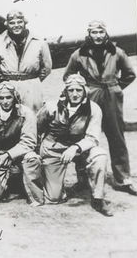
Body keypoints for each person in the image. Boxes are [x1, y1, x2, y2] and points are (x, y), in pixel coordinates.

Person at [64, 20, 137, 195]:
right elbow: (68, 76)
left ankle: (123, 179)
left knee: (117, 136)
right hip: (90, 96)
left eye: (100, 32)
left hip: (111, 96)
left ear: (105, 33)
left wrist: (116, 87)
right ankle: (83, 179)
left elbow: (130, 74)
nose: (97, 36)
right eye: (94, 32)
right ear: (88, 34)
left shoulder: (117, 52)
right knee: (83, 136)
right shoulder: (79, 54)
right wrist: (83, 89)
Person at [36, 75, 114, 215]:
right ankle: (50, 179)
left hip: (80, 148)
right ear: (65, 91)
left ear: (85, 91)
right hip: (55, 148)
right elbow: (37, 128)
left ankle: (98, 198)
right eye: (71, 90)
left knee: (100, 155)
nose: (75, 94)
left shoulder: (94, 109)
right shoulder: (51, 107)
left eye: (79, 90)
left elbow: (93, 137)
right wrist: (38, 151)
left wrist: (75, 147)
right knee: (53, 197)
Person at [0, 84, 48, 206]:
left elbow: (28, 141)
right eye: (1, 98)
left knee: (32, 159)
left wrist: (8, 155)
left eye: (9, 97)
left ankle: (34, 196)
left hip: (19, 154)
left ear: (15, 97)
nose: (5, 101)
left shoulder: (26, 113)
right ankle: (11, 183)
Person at [0, 10, 54, 115]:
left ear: (24, 23)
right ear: (7, 25)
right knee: (11, 118)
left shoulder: (39, 42)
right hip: (9, 85)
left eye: (19, 22)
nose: (16, 25)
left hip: (32, 86)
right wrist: (5, 82)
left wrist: (34, 80)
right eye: (12, 23)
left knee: (35, 117)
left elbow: (47, 67)